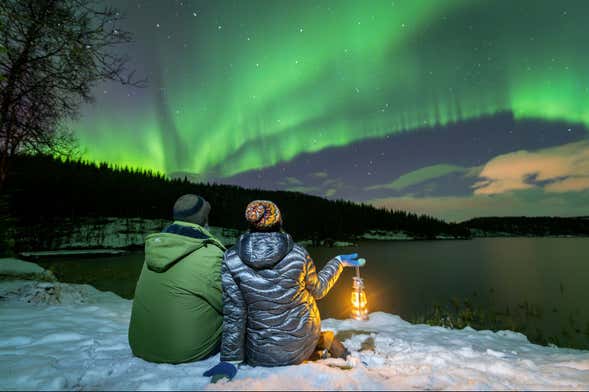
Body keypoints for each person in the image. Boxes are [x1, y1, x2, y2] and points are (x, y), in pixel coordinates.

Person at [204, 200, 366, 382]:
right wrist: (338, 262)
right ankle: (327, 344)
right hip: (302, 346)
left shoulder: (231, 258)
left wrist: (230, 359)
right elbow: (319, 290)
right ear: (279, 221)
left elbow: (235, 313)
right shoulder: (298, 254)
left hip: (259, 353)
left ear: (250, 224)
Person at [128, 194, 225, 364]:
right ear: (204, 218)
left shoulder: (155, 248)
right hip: (183, 352)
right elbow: (226, 302)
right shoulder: (210, 253)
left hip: (139, 346)